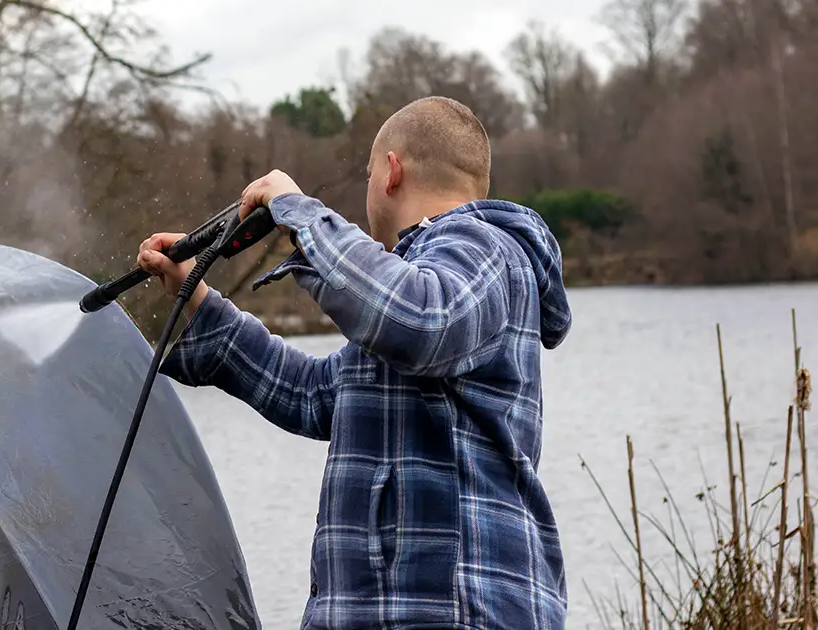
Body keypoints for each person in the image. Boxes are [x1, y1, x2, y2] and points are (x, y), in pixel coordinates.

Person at [137, 96, 572, 630]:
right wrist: (200, 302)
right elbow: (316, 394)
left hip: (457, 610)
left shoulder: (486, 246)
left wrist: (301, 212)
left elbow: (421, 321)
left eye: (368, 174)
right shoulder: (411, 279)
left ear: (390, 171)